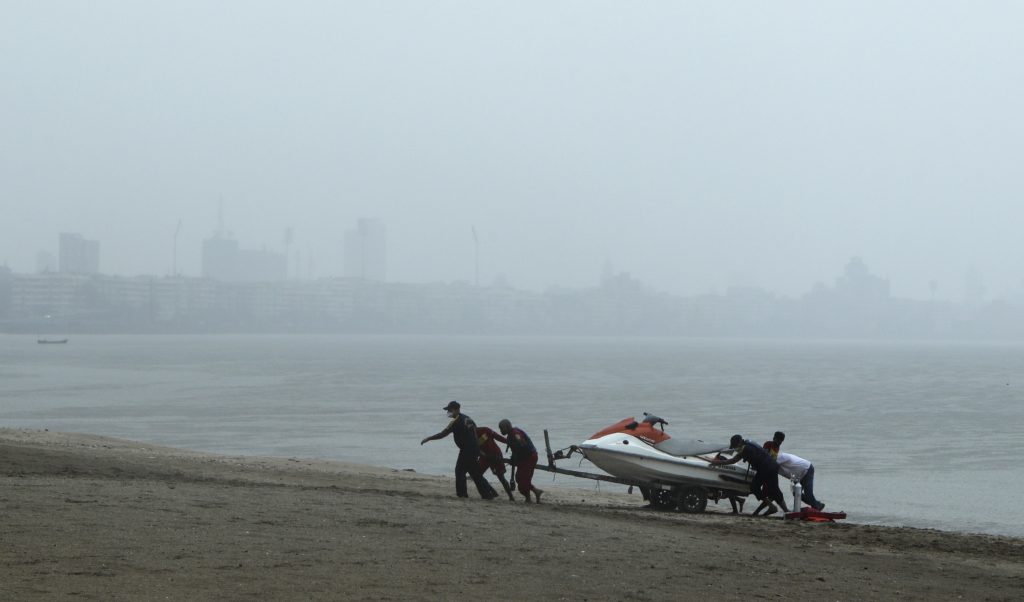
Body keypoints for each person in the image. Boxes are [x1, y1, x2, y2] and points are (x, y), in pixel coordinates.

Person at [420, 401, 497, 500]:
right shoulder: (469, 419)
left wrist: (429, 438)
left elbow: (443, 434)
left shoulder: (455, 422)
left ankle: (462, 495)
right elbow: (476, 434)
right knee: (475, 473)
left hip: (467, 450)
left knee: (460, 471)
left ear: (456, 410)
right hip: (474, 449)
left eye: (450, 410)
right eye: (448, 410)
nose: (448, 412)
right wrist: (479, 450)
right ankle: (488, 494)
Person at [708, 434, 788, 516]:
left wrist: (716, 463)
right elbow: (758, 454)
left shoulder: (744, 449)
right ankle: (787, 511)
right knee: (775, 490)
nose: (735, 448)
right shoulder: (749, 442)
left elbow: (733, 460)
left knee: (754, 487)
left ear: (739, 442)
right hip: (773, 466)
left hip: (765, 468)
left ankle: (772, 507)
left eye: (735, 445)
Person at [493, 419, 543, 504]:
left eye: (502, 428)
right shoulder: (510, 435)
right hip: (523, 459)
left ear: (508, 426)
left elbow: (522, 444)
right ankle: (535, 492)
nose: (501, 431)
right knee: (519, 478)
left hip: (529, 458)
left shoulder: (515, 433)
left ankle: (529, 498)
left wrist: (517, 454)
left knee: (523, 480)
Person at [476, 425, 515, 501]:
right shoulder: (469, 436)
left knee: (501, 477)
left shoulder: (485, 430)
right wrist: (484, 455)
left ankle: (511, 497)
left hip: (495, 455)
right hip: (484, 457)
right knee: (477, 475)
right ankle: (492, 491)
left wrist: (508, 442)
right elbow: (475, 448)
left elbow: (497, 437)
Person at [751, 431, 786, 516]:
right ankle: (761, 511)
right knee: (770, 493)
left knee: (771, 494)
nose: (779, 442)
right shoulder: (768, 444)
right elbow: (763, 455)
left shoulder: (777, 447)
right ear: (774, 438)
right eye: (778, 440)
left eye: (781, 441)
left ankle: (759, 512)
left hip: (771, 472)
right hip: (765, 471)